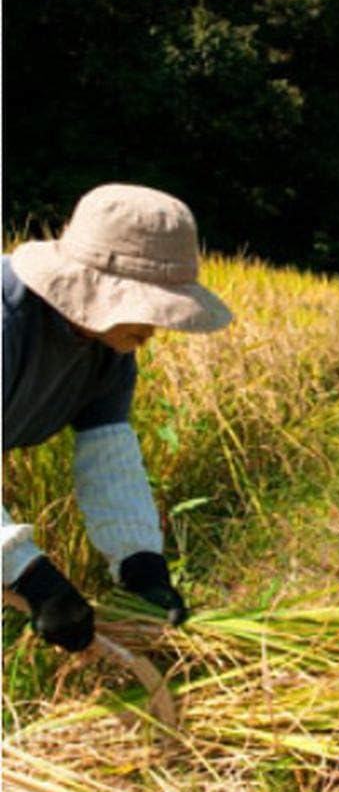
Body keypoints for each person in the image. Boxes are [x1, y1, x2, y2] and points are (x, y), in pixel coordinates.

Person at [3, 183, 233, 652]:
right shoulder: (8, 323)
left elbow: (109, 453)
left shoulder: (109, 351)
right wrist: (27, 575)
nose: (152, 330)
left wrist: (138, 560)